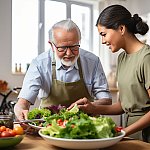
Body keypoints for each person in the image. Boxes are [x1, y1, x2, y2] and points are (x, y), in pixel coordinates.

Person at [68, 5, 150, 142]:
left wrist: (122, 132)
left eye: (104, 34)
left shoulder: (146, 57)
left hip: (146, 135)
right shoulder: (122, 58)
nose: (103, 41)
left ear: (121, 29)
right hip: (131, 134)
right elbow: (122, 106)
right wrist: (93, 108)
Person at [14, 19, 112, 121]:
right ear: (51, 45)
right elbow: (23, 102)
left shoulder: (92, 61)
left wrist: (90, 106)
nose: (69, 53)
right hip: (49, 127)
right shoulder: (39, 63)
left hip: (86, 126)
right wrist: (21, 111)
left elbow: (106, 100)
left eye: (74, 47)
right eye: (62, 48)